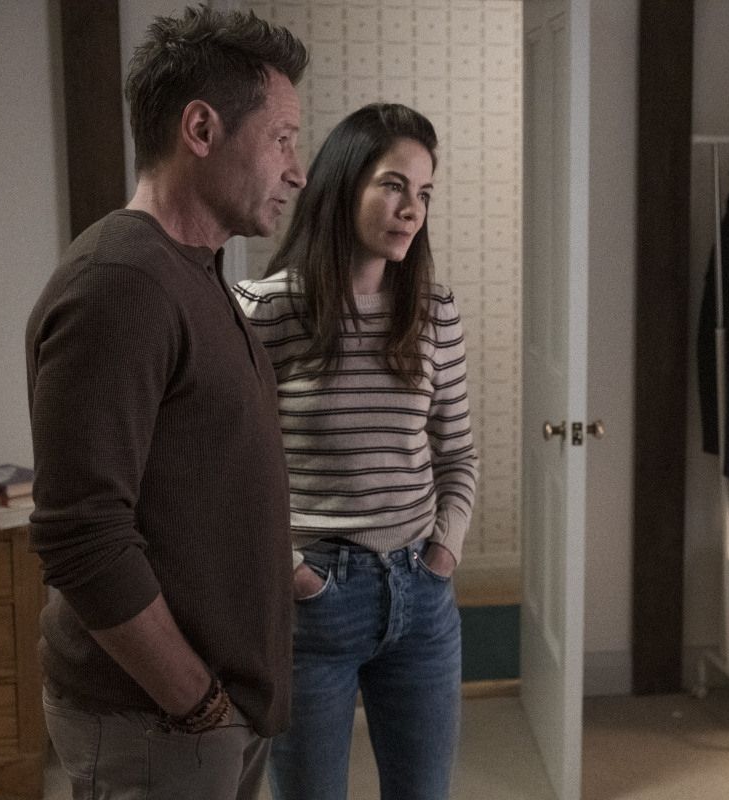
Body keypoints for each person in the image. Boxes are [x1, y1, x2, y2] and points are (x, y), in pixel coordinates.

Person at [25, 7, 307, 799]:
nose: (297, 171)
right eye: (283, 139)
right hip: (158, 721)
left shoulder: (195, 271)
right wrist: (197, 702)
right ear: (201, 128)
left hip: (210, 712)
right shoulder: (121, 283)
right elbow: (82, 536)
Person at [233, 103, 479, 800]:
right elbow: (229, 473)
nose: (411, 210)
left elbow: (457, 454)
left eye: (423, 193)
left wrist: (445, 550)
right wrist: (291, 571)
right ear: (344, 184)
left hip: (421, 593)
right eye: (393, 185)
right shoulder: (264, 309)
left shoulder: (433, 311)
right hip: (312, 602)